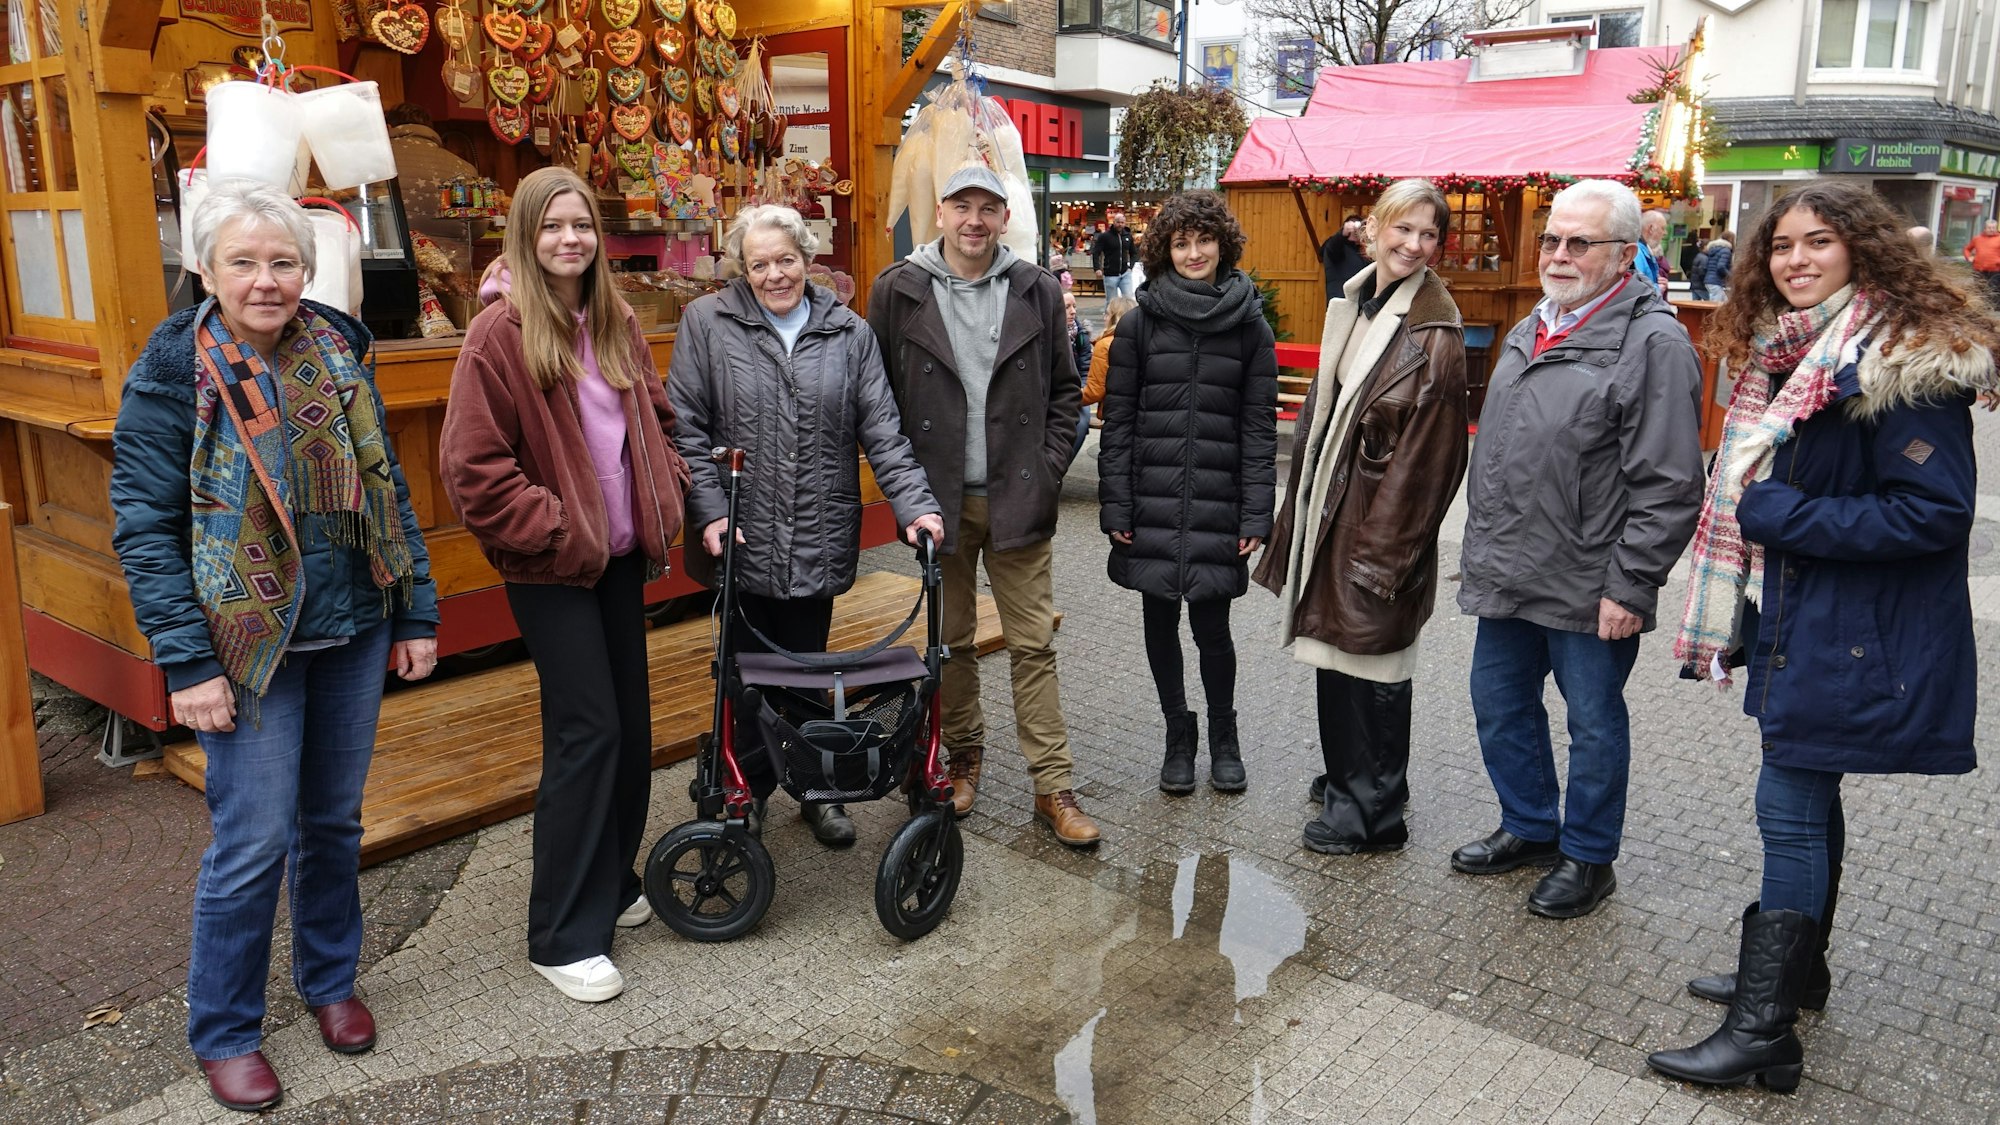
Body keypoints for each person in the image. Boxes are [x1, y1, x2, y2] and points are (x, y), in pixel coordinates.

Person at [1651, 181, 1998, 1092]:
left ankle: (1763, 1031)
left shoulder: (1898, 363)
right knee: (1808, 799)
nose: (1795, 260)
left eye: (1819, 243)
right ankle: (1797, 976)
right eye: (1781, 245)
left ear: (1862, 252)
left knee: (1789, 805)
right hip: (1805, 616)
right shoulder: (1801, 352)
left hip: (1852, 630)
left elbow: (1935, 512)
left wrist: (1781, 514)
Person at [109, 181, 438, 1113]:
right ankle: (225, 1030)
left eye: (284, 261)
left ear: (307, 269)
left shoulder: (339, 349)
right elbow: (144, 528)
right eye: (244, 261)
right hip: (244, 645)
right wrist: (186, 662)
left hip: (351, 627)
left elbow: (386, 486)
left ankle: (330, 982)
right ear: (204, 269)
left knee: (333, 823)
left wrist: (414, 611)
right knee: (252, 841)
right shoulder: (172, 373)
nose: (266, 279)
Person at [439, 166, 689, 1005]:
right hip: (550, 565)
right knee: (588, 732)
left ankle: (611, 880)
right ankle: (562, 934)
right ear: (525, 235)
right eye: (551, 226)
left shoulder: (614, 318)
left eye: (580, 224)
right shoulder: (498, 334)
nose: (569, 239)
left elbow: (656, 421)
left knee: (630, 728)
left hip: (618, 559)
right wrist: (558, 525)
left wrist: (667, 487)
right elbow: (473, 472)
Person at [1452, 179, 1704, 919]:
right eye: (1551, 239)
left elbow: (1670, 482)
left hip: (1591, 578)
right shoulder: (1534, 324)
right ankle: (1531, 825)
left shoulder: (1654, 343)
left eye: (1579, 243)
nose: (1558, 255)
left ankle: (1590, 857)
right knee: (1499, 703)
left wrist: (1631, 584)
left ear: (1624, 256)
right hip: (1510, 568)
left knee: (1592, 723)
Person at [667, 204, 943, 844]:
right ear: (742, 269)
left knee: (810, 668)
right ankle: (748, 788)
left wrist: (916, 506)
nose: (774, 275)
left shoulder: (849, 332)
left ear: (807, 258)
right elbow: (686, 429)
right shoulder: (707, 323)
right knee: (744, 673)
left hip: (818, 532)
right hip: (741, 536)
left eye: (785, 260)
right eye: (759, 264)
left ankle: (816, 787)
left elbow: (884, 433)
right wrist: (710, 512)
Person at [866, 162, 1100, 846]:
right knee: (952, 641)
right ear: (940, 212)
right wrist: (905, 488)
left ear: (1005, 217)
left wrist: (1046, 470)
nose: (974, 220)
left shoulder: (1034, 288)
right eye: (961, 206)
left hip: (1017, 496)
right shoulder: (898, 289)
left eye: (987, 208)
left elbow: (1067, 391)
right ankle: (963, 757)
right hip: (936, 501)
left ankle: (1052, 784)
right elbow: (877, 399)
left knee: (1034, 643)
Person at [1253, 178, 1469, 854]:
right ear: (1372, 228)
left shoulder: (1434, 332)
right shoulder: (1360, 301)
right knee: (1339, 656)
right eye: (1402, 228)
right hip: (1339, 514)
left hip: (1379, 528)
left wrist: (1384, 559)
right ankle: (1353, 777)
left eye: (1428, 234)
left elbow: (1430, 467)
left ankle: (1372, 815)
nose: (1414, 243)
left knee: (1375, 665)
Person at [1099, 189, 1277, 794]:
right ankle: (1179, 734)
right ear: (1164, 251)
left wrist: (1256, 512)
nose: (1194, 252)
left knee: (1212, 629)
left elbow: (1259, 428)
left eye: (1204, 240)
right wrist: (1116, 505)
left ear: (1223, 246)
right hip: (1150, 501)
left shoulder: (1250, 327)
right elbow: (1119, 424)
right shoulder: (1140, 323)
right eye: (1181, 243)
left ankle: (1225, 735)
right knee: (1159, 623)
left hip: (1219, 504)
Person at [386, 103, 484, 275]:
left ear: (388, 127)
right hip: (451, 274)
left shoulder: (377, 163)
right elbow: (478, 227)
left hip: (393, 273)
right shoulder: (465, 169)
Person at [1084, 296, 1137, 410]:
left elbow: (1095, 391)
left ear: (1115, 318)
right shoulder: (1143, 341)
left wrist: (1068, 398)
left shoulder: (1104, 345)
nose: (1104, 318)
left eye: (1107, 314)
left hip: (1114, 410)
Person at [1062, 291, 1094, 468]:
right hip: (1053, 392)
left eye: (1074, 306)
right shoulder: (1047, 332)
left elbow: (1086, 369)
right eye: (1067, 307)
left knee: (1081, 423)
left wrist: (1081, 389)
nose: (1073, 311)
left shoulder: (1081, 335)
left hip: (1077, 391)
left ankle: (1060, 467)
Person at [1094, 211, 1140, 302]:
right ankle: (1110, 312)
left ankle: (1128, 313)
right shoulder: (1105, 236)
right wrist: (1097, 268)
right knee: (1111, 301)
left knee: (1128, 300)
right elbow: (1096, 252)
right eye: (1118, 222)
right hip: (1110, 274)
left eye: (1122, 222)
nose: (1120, 224)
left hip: (1125, 273)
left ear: (1125, 223)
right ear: (1113, 222)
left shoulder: (1128, 236)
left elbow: (1134, 253)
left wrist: (1130, 267)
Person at [1319, 215, 1367, 302]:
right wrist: (1343, 233)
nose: (1357, 232)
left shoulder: (1361, 251)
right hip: (1341, 302)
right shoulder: (1335, 246)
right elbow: (1333, 247)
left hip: (1358, 303)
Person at [1634, 209, 1670, 296]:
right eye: (1662, 228)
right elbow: (1636, 288)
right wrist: (1657, 289)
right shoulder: (1638, 253)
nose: (1665, 233)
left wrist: (1658, 283)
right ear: (1651, 229)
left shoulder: (1644, 250)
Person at [1962, 217, 2000, 301]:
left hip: (1995, 270)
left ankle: (1992, 307)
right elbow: (1967, 249)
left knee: (1993, 290)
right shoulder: (1977, 239)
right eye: (1989, 228)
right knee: (1980, 289)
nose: (1991, 230)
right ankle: (1981, 306)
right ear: (1985, 228)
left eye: (1993, 228)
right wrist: (1969, 257)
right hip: (1979, 269)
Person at [1702, 231, 1735, 301]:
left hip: (1710, 280)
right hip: (1716, 281)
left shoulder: (1713, 249)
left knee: (1725, 303)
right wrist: (1730, 276)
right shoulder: (1726, 251)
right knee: (1716, 304)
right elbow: (1721, 266)